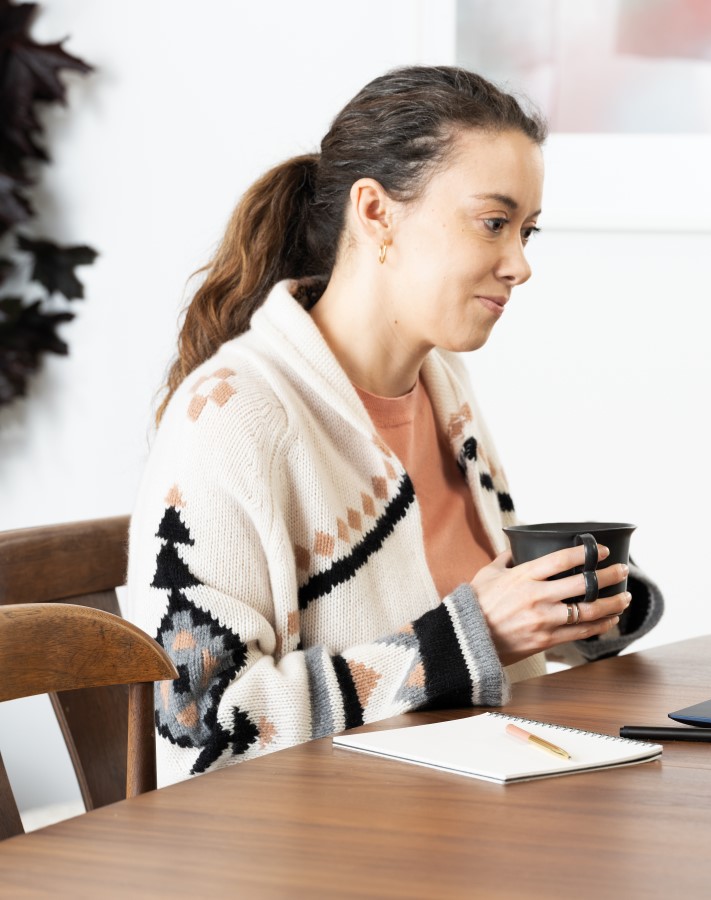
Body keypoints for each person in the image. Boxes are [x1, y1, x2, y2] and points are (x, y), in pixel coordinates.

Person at [127, 66, 663, 781]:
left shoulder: (445, 388)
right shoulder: (233, 416)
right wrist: (474, 634)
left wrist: (576, 612)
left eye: (527, 231)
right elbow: (202, 726)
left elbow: (477, 637)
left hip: (467, 808)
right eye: (495, 223)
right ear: (377, 213)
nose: (521, 265)